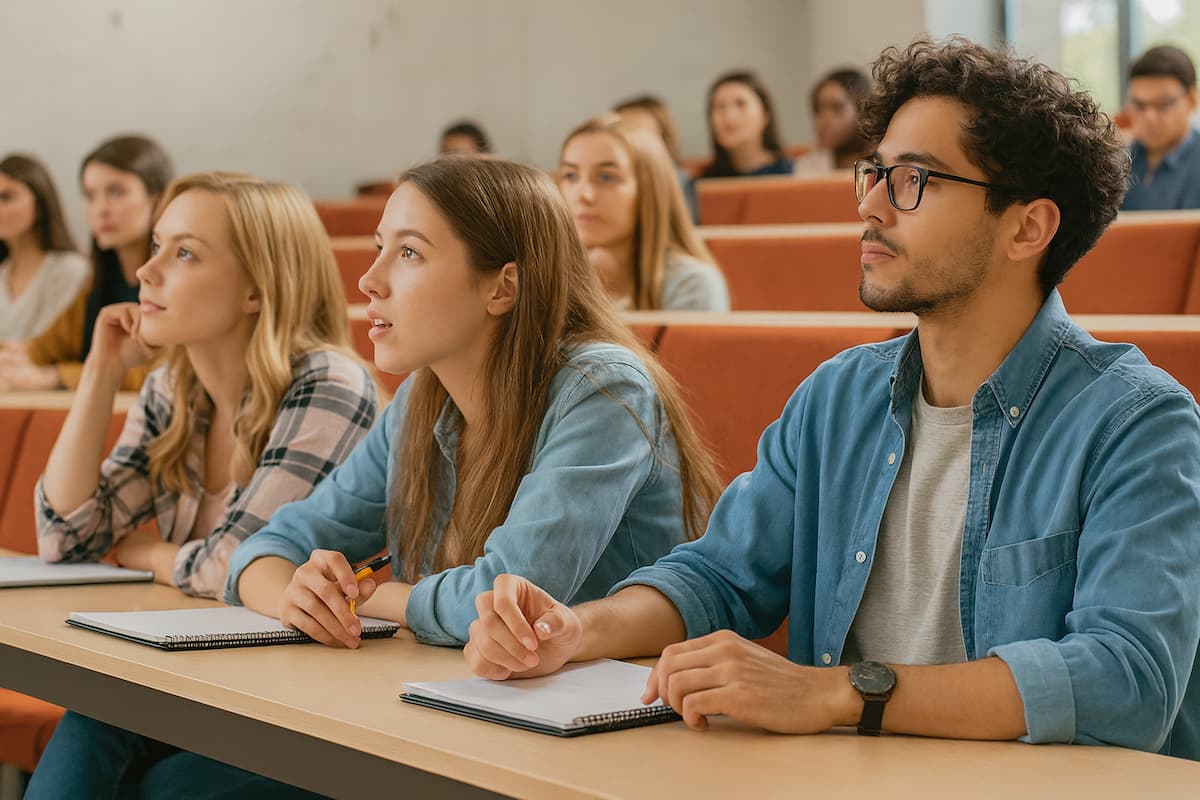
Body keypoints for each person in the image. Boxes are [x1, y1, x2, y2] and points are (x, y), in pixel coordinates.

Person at [466, 38, 1200, 761]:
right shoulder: (838, 396)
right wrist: (575, 630)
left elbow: (1127, 680)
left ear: (1028, 227)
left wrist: (843, 693)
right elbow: (719, 575)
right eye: (874, 172)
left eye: (915, 178)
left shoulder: (1138, 422)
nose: (873, 205)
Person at [25, 171, 379, 798]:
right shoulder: (173, 387)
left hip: (310, 706)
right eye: (156, 245)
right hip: (200, 683)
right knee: (94, 720)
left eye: (184, 252)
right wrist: (101, 373)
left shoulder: (330, 384)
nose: (147, 271)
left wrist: (150, 553)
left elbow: (240, 567)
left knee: (153, 787)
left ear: (254, 289)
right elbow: (65, 537)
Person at [0, 135, 173, 391]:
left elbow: (167, 372)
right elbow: (46, 347)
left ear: (156, 198)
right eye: (90, 195)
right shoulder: (99, 282)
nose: (100, 208)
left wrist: (55, 377)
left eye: (116, 192)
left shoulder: (180, 282)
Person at [559, 116, 729, 311]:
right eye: (570, 176)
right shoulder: (548, 277)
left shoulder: (692, 285)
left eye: (606, 177)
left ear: (650, 190)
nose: (583, 195)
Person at [0, 154, 89, 341]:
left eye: (6, 197)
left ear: (40, 203)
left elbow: (54, 346)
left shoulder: (70, 270)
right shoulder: (3, 272)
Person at [1121, 45, 1200, 210]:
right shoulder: (1119, 162)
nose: (1150, 118)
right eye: (1139, 105)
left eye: (1164, 104)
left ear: (1192, 99)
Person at [613, 94, 699, 221]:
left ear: (665, 141)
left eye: (640, 134)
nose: (629, 143)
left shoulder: (682, 184)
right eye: (619, 134)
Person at [700, 70, 791, 179]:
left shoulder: (792, 175)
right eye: (720, 107)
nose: (729, 116)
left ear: (765, 115)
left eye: (740, 104)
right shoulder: (704, 183)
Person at [793, 68, 873, 173]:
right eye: (818, 109)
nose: (824, 120)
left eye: (837, 107)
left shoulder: (882, 164)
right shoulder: (807, 166)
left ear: (862, 108)